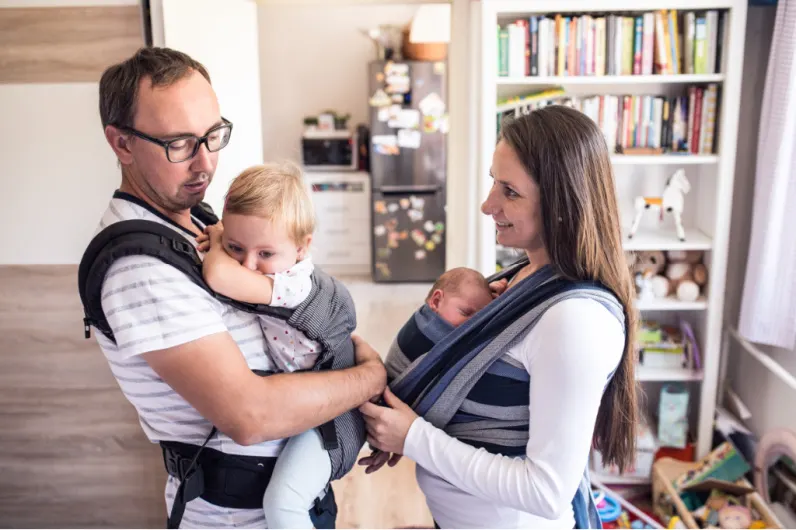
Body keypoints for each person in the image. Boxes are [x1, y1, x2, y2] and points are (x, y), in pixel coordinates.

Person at [89, 47, 385, 528]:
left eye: (212, 136)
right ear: (122, 144)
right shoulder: (139, 268)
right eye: (180, 144)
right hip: (239, 515)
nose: (205, 163)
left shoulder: (201, 222)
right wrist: (369, 379)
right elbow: (250, 417)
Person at [358, 106, 638, 529]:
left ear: (562, 201)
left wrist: (414, 437)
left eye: (510, 191)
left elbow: (545, 491)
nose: (489, 204)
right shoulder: (521, 280)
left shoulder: (575, 321)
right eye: (494, 181)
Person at [194, 161, 354, 528]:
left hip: (330, 415)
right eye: (237, 246)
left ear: (302, 248)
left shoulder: (294, 284)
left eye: (265, 254)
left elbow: (219, 275)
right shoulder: (275, 265)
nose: (249, 264)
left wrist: (220, 240)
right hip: (307, 402)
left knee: (284, 502)